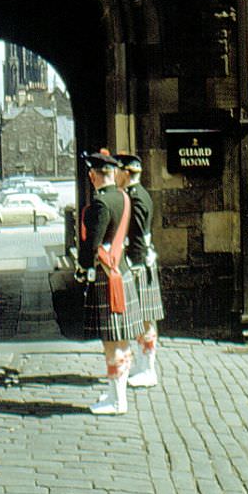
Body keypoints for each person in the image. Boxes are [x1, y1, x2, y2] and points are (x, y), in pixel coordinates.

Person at [76, 150, 144, 415]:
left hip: (108, 275)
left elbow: (91, 245)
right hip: (122, 271)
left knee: (111, 342)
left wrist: (83, 269)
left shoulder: (101, 204)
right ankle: (118, 394)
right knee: (123, 342)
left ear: (93, 176)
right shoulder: (123, 197)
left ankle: (117, 401)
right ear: (113, 173)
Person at [114, 152, 164, 388]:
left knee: (145, 319)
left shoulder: (136, 198)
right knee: (143, 319)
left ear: (126, 172)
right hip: (140, 262)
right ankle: (144, 366)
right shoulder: (134, 195)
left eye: (117, 171)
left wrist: (134, 264)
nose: (115, 176)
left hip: (139, 263)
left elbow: (140, 237)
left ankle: (148, 369)